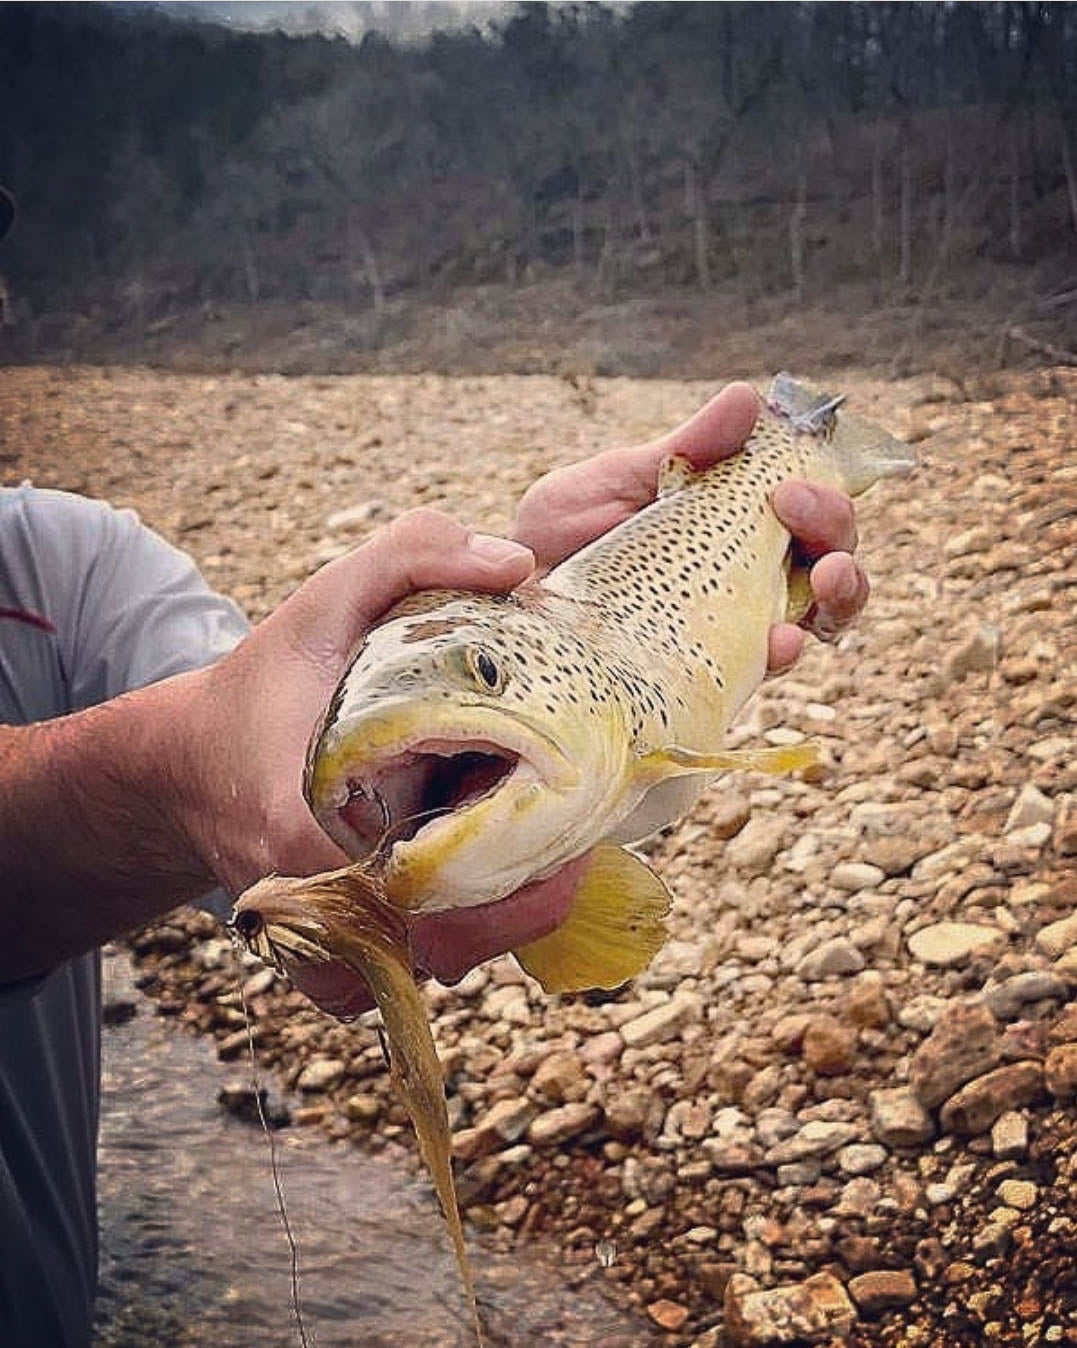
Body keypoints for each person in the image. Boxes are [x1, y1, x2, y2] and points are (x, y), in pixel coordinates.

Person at [0, 202, 866, 1348]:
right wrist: (180, 769)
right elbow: (224, 756)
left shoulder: (75, 567)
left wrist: (550, 604)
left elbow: (266, 769)